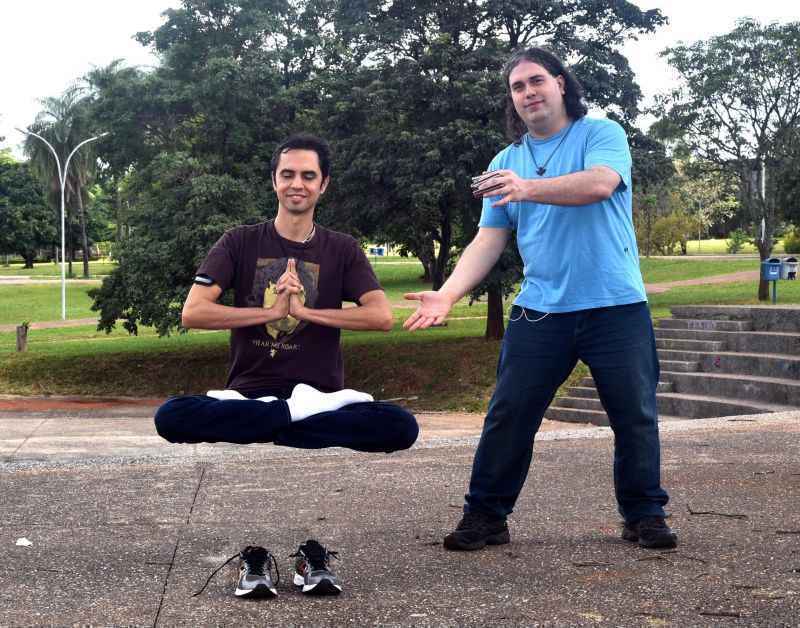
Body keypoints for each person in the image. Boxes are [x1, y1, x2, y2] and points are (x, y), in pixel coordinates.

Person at [404, 47, 676, 552]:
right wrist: (446, 293)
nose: (528, 93)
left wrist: (527, 188)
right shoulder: (505, 162)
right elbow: (489, 239)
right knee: (509, 413)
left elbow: (599, 184)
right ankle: (485, 516)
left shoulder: (601, 134)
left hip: (615, 305)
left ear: (560, 84)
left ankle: (644, 514)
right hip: (541, 310)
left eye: (536, 81)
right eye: (517, 87)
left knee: (633, 415)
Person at [155, 133, 419, 597]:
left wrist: (305, 313)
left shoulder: (342, 249)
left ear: (324, 185)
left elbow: (380, 316)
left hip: (320, 397)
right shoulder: (238, 243)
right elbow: (193, 312)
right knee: (170, 417)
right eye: (288, 175)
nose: (297, 184)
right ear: (274, 181)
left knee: (401, 427)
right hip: (249, 394)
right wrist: (272, 313)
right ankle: (287, 418)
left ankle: (278, 420)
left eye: (308, 176)